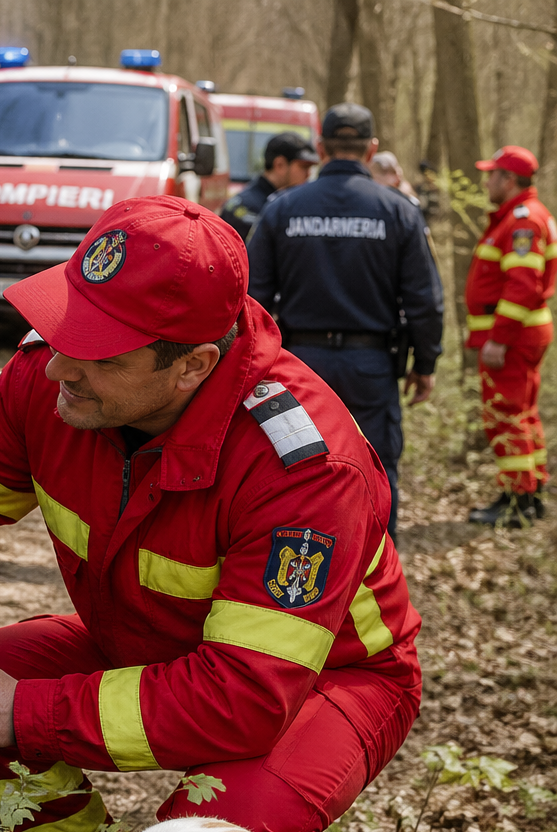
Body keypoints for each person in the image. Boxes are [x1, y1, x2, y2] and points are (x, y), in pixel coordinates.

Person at [0, 195, 424, 832]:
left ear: (191, 368)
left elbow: (243, 696)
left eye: (96, 351)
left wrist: (28, 710)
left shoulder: (304, 468)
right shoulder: (52, 384)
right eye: (61, 326)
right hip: (144, 642)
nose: (58, 367)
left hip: (325, 680)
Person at [247, 103, 444, 537]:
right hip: (370, 367)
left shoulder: (281, 208)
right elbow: (425, 301)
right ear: (371, 150)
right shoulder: (398, 211)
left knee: (296, 468)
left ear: (321, 147)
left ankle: (298, 581)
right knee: (374, 469)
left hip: (298, 367)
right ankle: (376, 578)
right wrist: (425, 365)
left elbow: (251, 298)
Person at [463, 145, 554, 526]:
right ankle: (530, 492)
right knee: (522, 414)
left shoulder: (522, 221)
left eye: (492, 175)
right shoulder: (521, 217)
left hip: (511, 340)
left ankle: (517, 502)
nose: (487, 182)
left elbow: (523, 285)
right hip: (519, 336)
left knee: (506, 416)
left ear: (509, 180)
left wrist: (499, 338)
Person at [219, 131, 318, 241]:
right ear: (279, 165)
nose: (308, 174)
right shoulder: (252, 208)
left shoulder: (265, 201)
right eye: (304, 167)